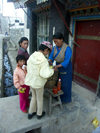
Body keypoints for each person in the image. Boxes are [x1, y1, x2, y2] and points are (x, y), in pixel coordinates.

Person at [25, 41, 54, 119]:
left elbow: (29, 66)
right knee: (39, 98)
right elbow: (44, 74)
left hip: (31, 81)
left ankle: (31, 113)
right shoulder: (43, 60)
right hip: (38, 83)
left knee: (34, 97)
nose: (47, 53)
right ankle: (39, 114)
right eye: (48, 51)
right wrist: (52, 70)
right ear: (45, 50)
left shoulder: (32, 56)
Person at [49, 32, 72, 104]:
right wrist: (49, 62)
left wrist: (57, 66)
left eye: (57, 41)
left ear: (61, 39)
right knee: (58, 82)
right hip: (58, 66)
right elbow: (51, 57)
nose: (55, 43)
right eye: (54, 42)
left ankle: (65, 99)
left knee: (65, 84)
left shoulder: (67, 48)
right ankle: (58, 96)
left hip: (66, 67)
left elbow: (66, 61)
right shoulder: (55, 48)